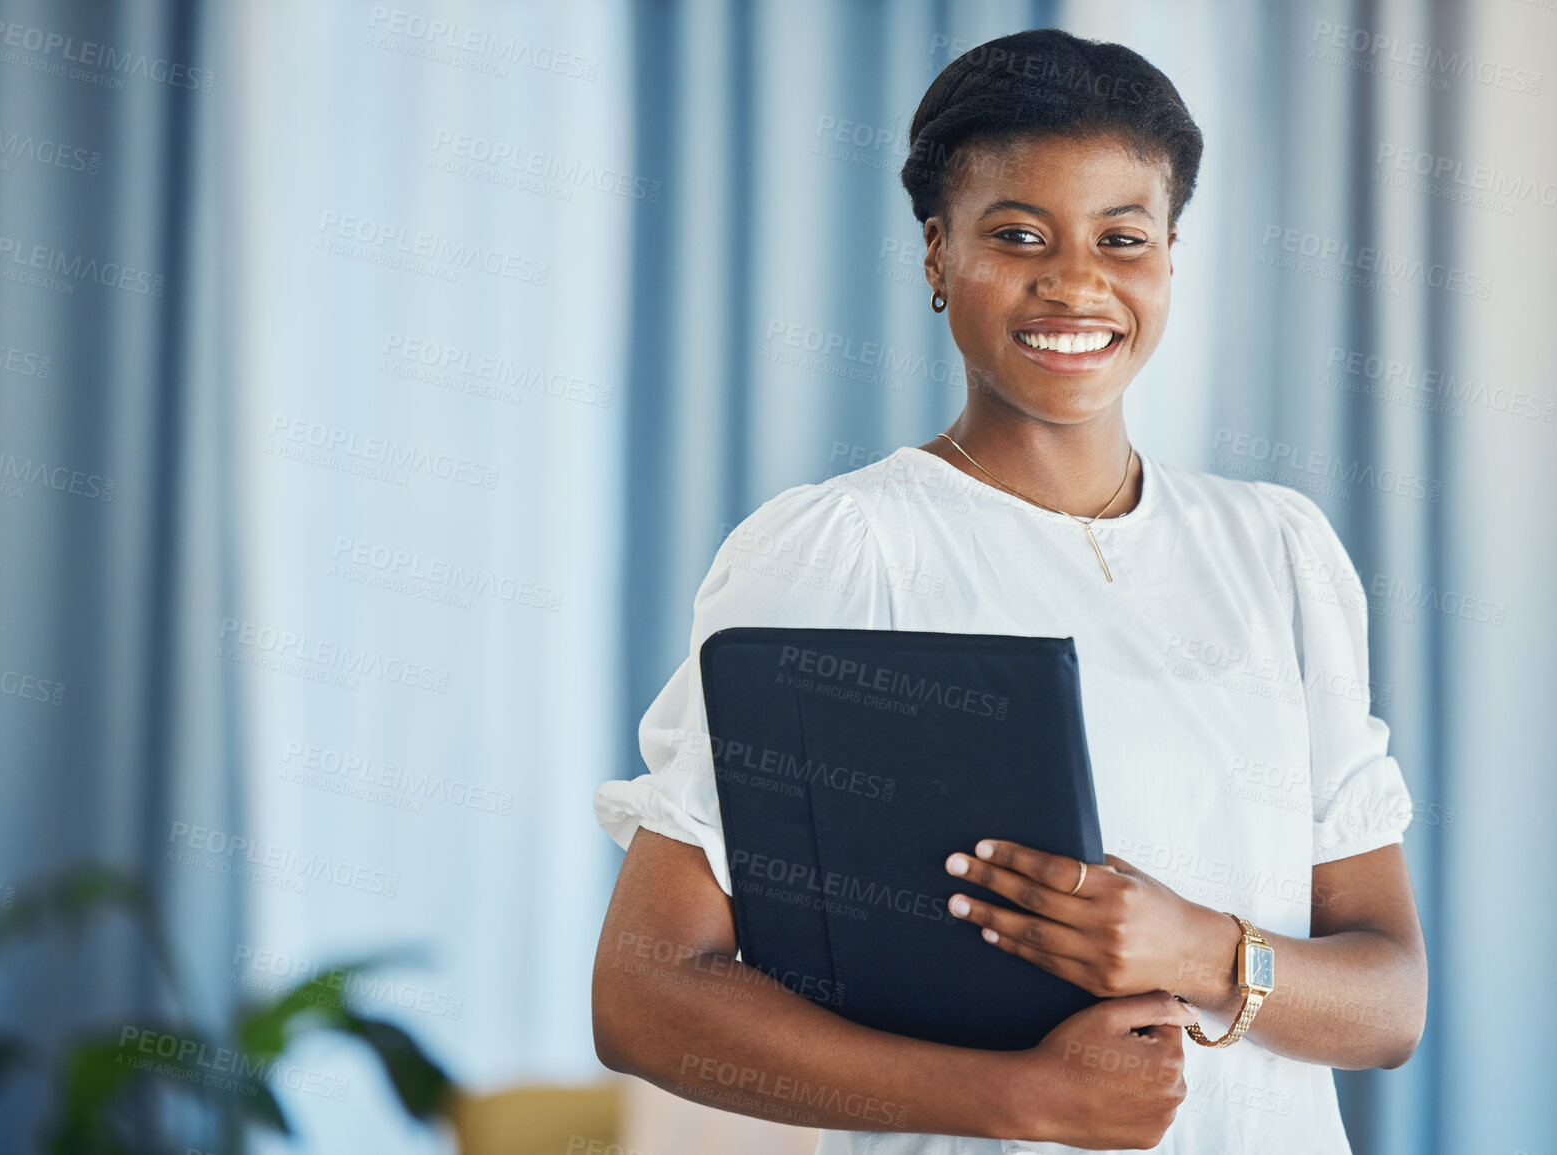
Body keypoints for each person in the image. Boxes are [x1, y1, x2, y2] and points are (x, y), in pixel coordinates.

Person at [590, 27, 1426, 1154]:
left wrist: (1200, 952)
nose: (1076, 279)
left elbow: (1388, 1006)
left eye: (1121, 237)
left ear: (1170, 256)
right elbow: (645, 996)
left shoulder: (1279, 551)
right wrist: (1022, 1102)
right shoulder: (845, 550)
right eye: (1017, 234)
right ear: (937, 257)